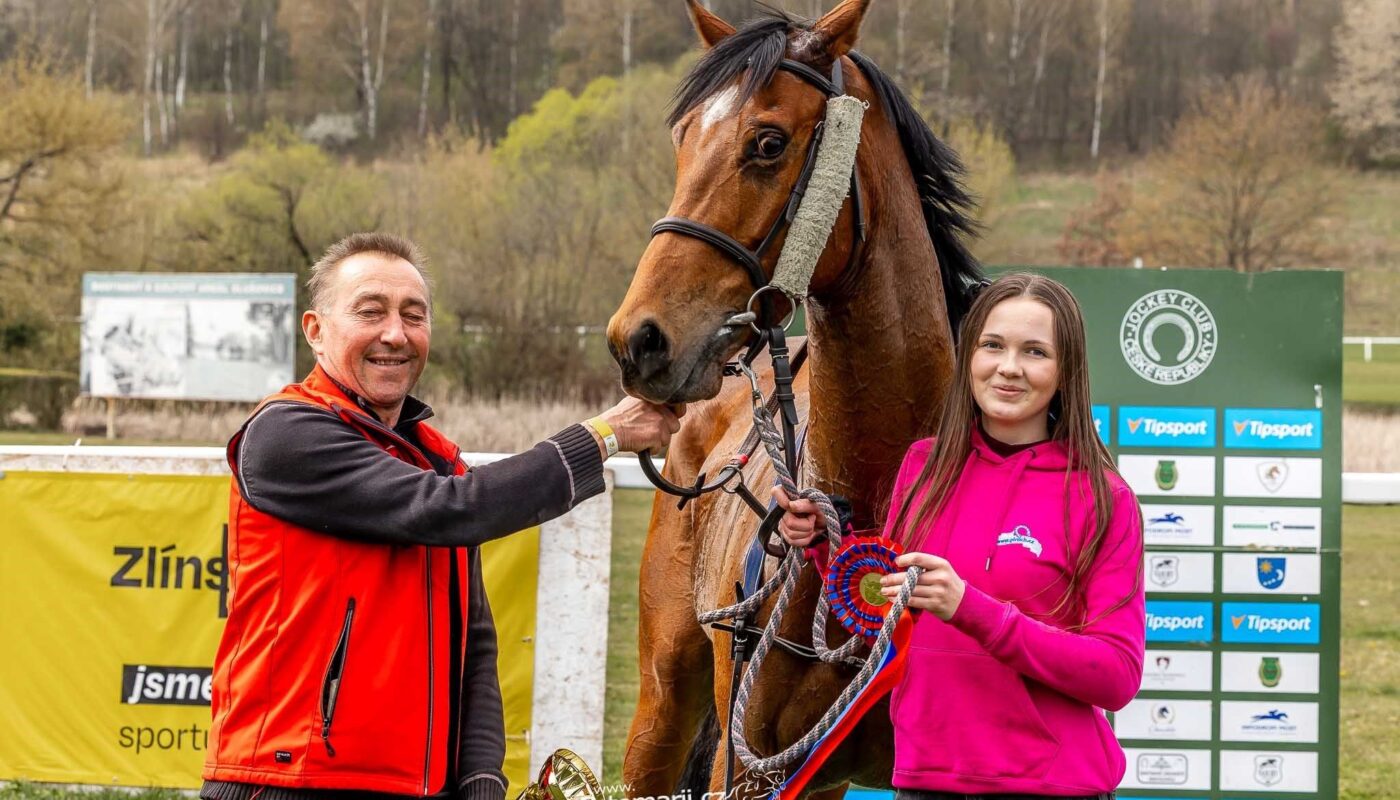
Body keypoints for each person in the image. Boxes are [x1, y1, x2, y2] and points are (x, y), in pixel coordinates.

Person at [201, 232, 681, 800]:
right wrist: (605, 435)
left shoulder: (436, 457)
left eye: (414, 315)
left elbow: (473, 642)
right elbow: (450, 509)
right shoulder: (286, 433)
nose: (395, 335)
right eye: (370, 312)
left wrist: (480, 780)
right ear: (315, 330)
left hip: (417, 787)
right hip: (287, 781)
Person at [775, 272, 1144, 799]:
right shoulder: (924, 466)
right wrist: (823, 540)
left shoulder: (1104, 498)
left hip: (1052, 787)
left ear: (1067, 372)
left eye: (1035, 351)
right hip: (924, 778)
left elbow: (1116, 675)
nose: (1009, 367)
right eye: (992, 345)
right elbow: (889, 606)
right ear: (969, 356)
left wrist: (972, 608)